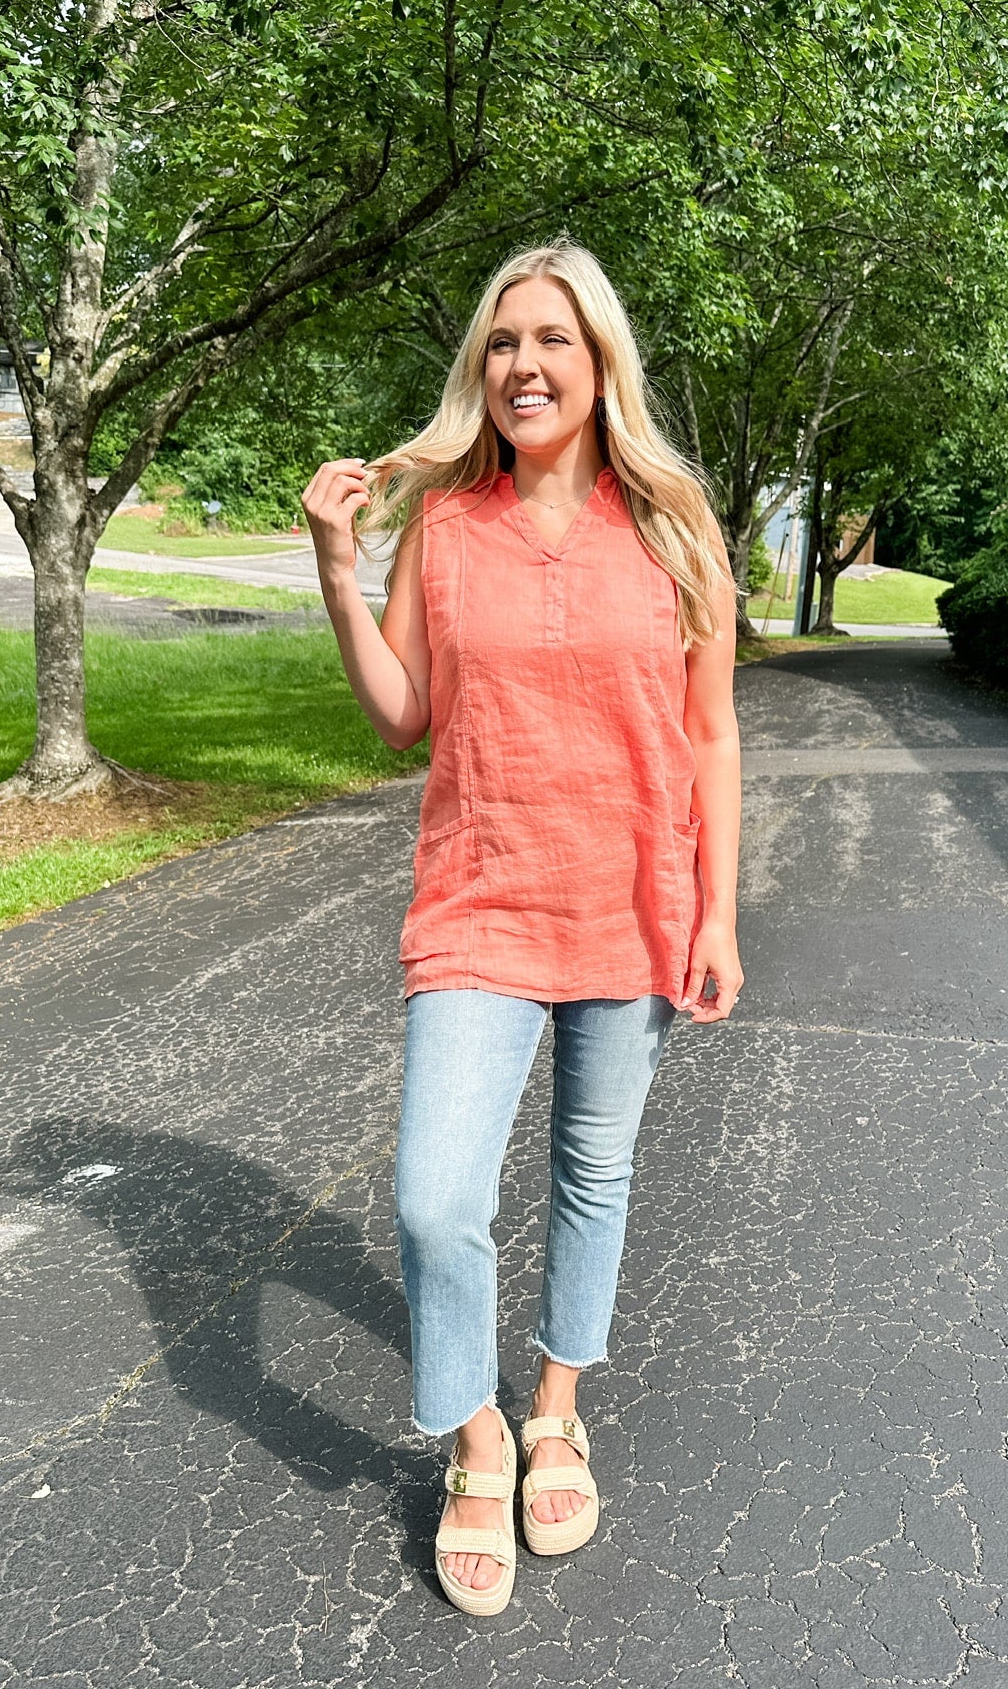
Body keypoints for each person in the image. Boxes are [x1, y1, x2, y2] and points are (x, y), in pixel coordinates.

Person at [301, 240, 743, 1616]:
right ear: (478, 371)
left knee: (589, 1181)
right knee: (435, 1199)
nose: (524, 367)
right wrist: (335, 562)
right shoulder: (445, 526)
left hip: (632, 907)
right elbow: (403, 715)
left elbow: (712, 733)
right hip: (479, 900)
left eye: (552, 340)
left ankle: (555, 1407)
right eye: (502, 343)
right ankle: (475, 1440)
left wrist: (719, 904)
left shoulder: (674, 527)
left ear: (600, 361)